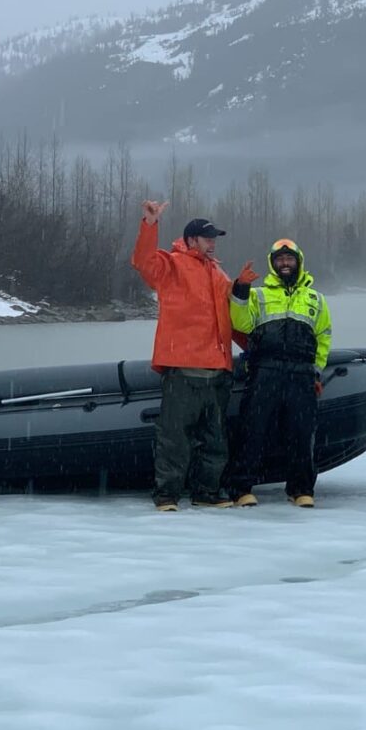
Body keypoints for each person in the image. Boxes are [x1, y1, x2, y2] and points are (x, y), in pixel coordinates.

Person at [131, 201, 253, 511]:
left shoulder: (219, 274)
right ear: (190, 241)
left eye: (214, 239)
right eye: (207, 238)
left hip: (217, 372)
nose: (212, 244)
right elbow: (143, 261)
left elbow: (232, 320)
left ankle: (206, 492)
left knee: (214, 439)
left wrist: (254, 346)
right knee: (175, 438)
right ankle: (167, 496)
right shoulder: (171, 265)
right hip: (183, 370)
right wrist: (150, 224)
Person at [227, 238, 332, 508]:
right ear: (273, 264)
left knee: (302, 433)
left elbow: (323, 338)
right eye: (279, 259)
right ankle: (241, 489)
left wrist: (316, 373)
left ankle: (300, 489)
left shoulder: (316, 299)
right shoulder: (257, 294)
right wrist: (240, 289)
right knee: (253, 431)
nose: (285, 263)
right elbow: (240, 322)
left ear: (298, 261)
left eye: (289, 259)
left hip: (301, 374)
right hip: (265, 371)